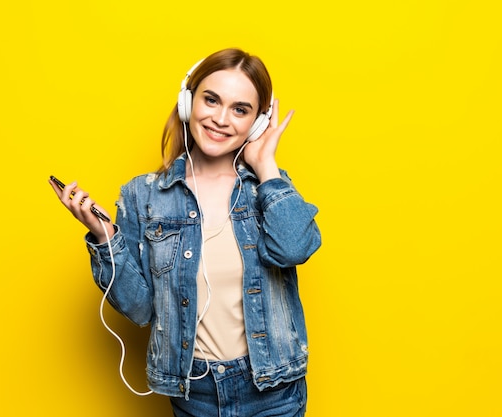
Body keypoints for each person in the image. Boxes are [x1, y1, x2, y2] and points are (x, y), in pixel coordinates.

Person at [49, 48, 321, 416]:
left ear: (257, 124)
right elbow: (141, 309)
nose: (221, 119)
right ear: (187, 102)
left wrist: (267, 164)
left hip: (273, 389)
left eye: (240, 109)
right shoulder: (143, 195)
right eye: (211, 100)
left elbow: (294, 248)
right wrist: (105, 237)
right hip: (195, 392)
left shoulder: (267, 188)